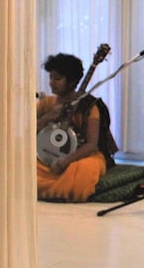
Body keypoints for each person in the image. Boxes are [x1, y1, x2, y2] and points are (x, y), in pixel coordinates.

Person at [36, 52, 108, 201]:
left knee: (84, 169)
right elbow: (29, 132)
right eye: (50, 77)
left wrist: (65, 161)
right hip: (47, 156)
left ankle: (58, 189)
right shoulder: (46, 103)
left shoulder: (89, 107)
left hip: (79, 156)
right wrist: (48, 117)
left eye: (58, 79)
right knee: (24, 164)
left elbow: (91, 145)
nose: (52, 83)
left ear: (72, 81)